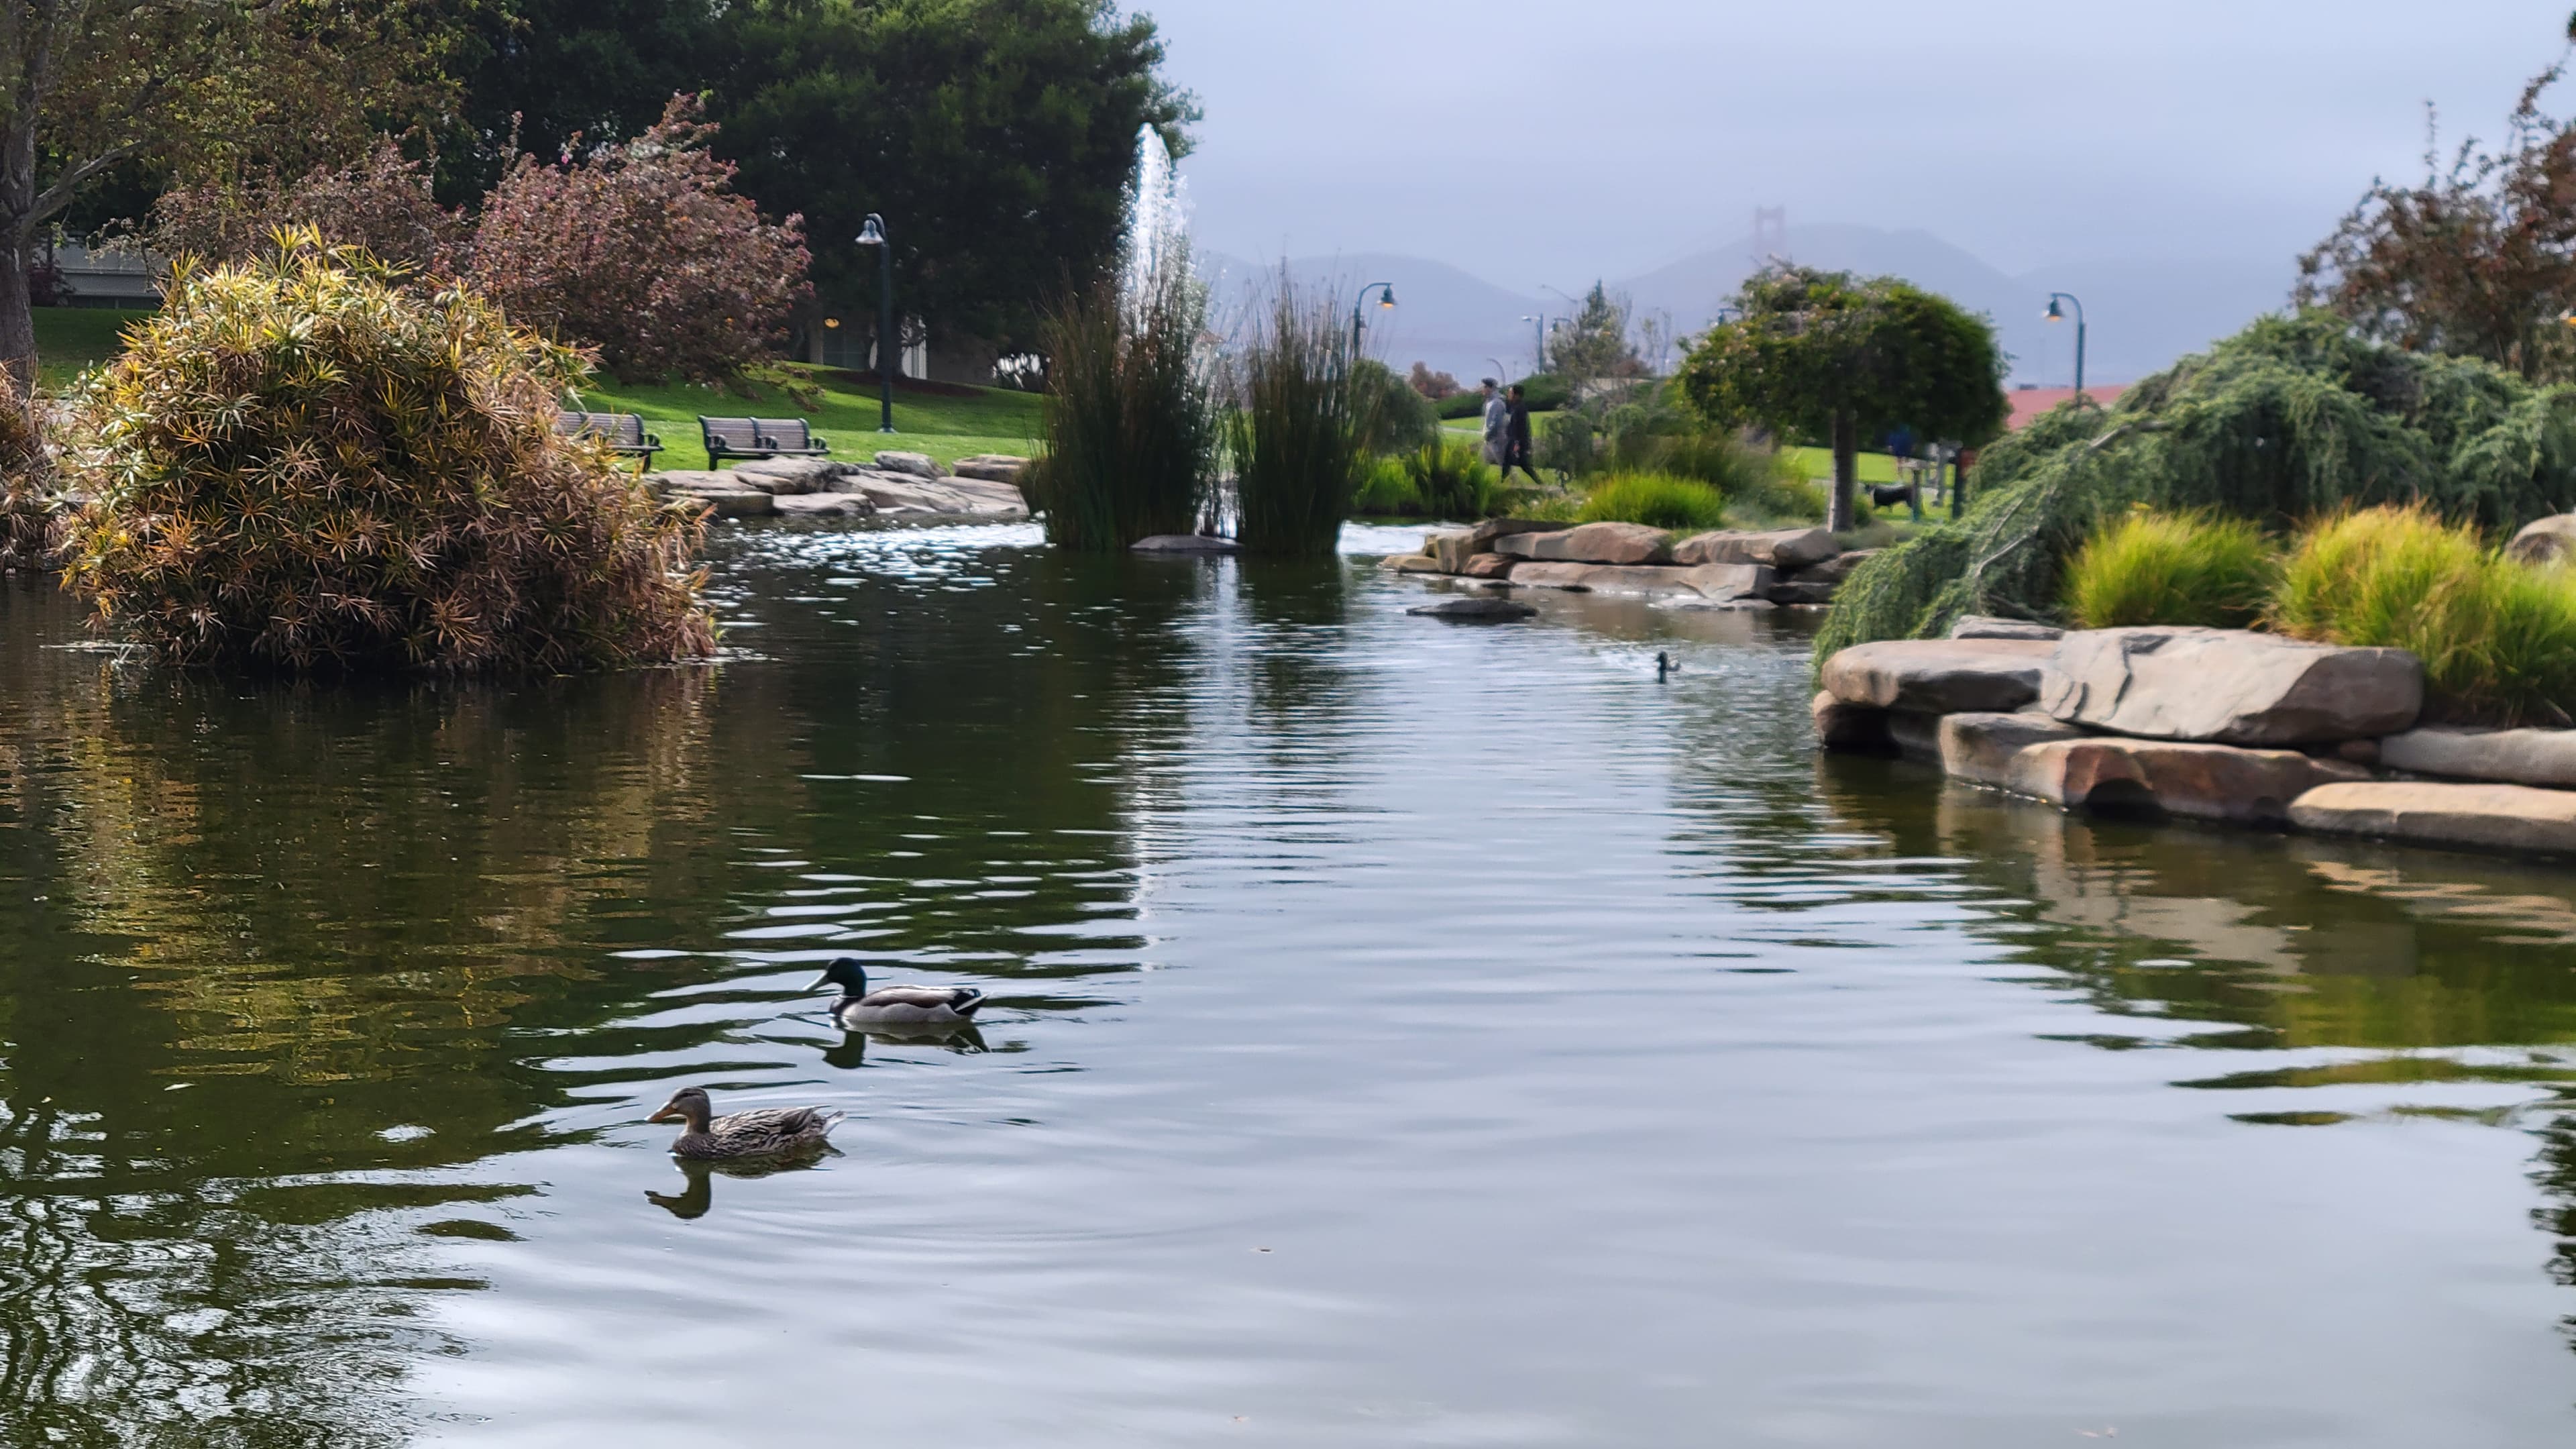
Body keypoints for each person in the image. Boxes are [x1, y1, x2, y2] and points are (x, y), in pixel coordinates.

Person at [1499, 384, 1544, 488]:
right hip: (1513, 440)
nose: (1508, 395)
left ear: (1517, 395)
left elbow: (1522, 428)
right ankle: (1502, 481)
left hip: (1518, 441)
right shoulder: (1514, 407)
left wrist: (1517, 443)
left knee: (1522, 464)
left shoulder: (1520, 409)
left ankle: (1540, 483)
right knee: (1509, 461)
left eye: (1510, 393)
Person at [1478, 378, 1507, 466]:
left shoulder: (1496, 403)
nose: (1481, 389)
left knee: (1503, 465)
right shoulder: (1490, 402)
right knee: (1482, 463)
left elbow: (1496, 423)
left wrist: (1487, 434)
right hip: (1490, 439)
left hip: (1496, 440)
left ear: (1489, 388)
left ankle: (1512, 480)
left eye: (1483, 387)